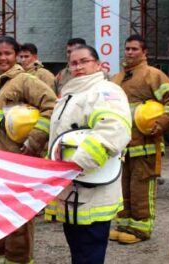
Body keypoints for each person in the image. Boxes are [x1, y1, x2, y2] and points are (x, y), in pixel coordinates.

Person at [0, 36, 57, 264]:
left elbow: (51, 106)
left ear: (16, 56)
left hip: (16, 162)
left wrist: (34, 142)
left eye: (8, 54)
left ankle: (19, 260)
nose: (3, 58)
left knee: (17, 217)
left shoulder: (24, 81)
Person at [49, 44, 131, 264]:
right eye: (73, 63)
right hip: (72, 187)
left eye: (84, 61)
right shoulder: (70, 95)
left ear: (97, 64)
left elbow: (113, 130)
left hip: (91, 186)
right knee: (79, 252)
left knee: (89, 254)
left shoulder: (105, 91)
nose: (78, 67)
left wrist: (78, 162)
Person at [110, 35, 169, 244]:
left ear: (145, 52)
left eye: (134, 49)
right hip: (123, 146)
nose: (130, 52)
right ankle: (124, 223)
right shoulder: (117, 78)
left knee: (141, 187)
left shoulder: (153, 75)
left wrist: (160, 124)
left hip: (146, 145)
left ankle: (141, 229)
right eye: (127, 49)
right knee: (123, 188)